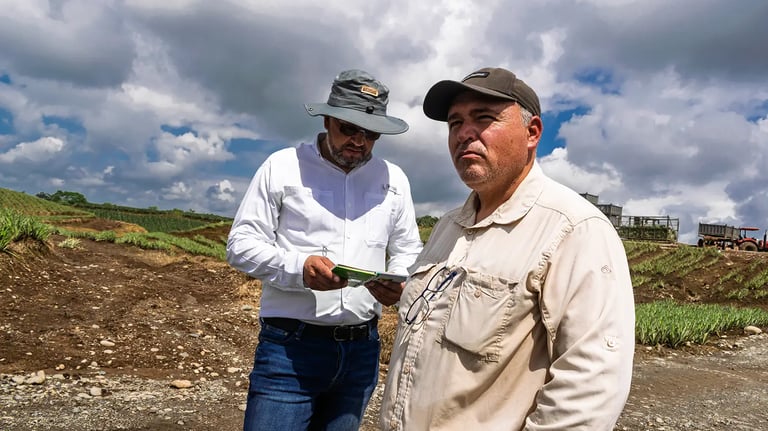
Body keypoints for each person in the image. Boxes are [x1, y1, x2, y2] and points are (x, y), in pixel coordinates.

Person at [380, 67, 635, 430]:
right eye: (455, 123)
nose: (464, 133)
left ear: (532, 133)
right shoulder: (447, 226)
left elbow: (591, 387)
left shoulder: (574, 229)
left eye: (484, 118)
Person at [227, 69, 423, 431]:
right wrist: (299, 268)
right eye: (349, 128)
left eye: (370, 134)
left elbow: (408, 248)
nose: (359, 141)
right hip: (289, 350)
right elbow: (241, 245)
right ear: (328, 119)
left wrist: (401, 282)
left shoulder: (393, 180)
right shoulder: (283, 166)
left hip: (363, 350)